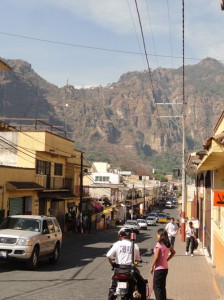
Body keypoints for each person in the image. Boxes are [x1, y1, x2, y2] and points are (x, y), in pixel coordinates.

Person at [106, 228, 146, 300]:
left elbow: (108, 255)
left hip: (118, 270)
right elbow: (137, 259)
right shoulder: (135, 245)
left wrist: (112, 264)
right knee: (142, 283)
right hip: (130, 271)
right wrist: (135, 265)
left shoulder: (117, 244)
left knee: (113, 287)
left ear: (120, 235)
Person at [150, 228, 175, 300]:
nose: (156, 236)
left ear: (161, 236)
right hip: (165, 268)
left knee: (156, 287)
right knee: (162, 287)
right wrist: (167, 260)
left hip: (159, 269)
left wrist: (152, 266)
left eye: (158, 234)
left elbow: (156, 257)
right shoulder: (167, 244)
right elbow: (173, 252)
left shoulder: (159, 244)